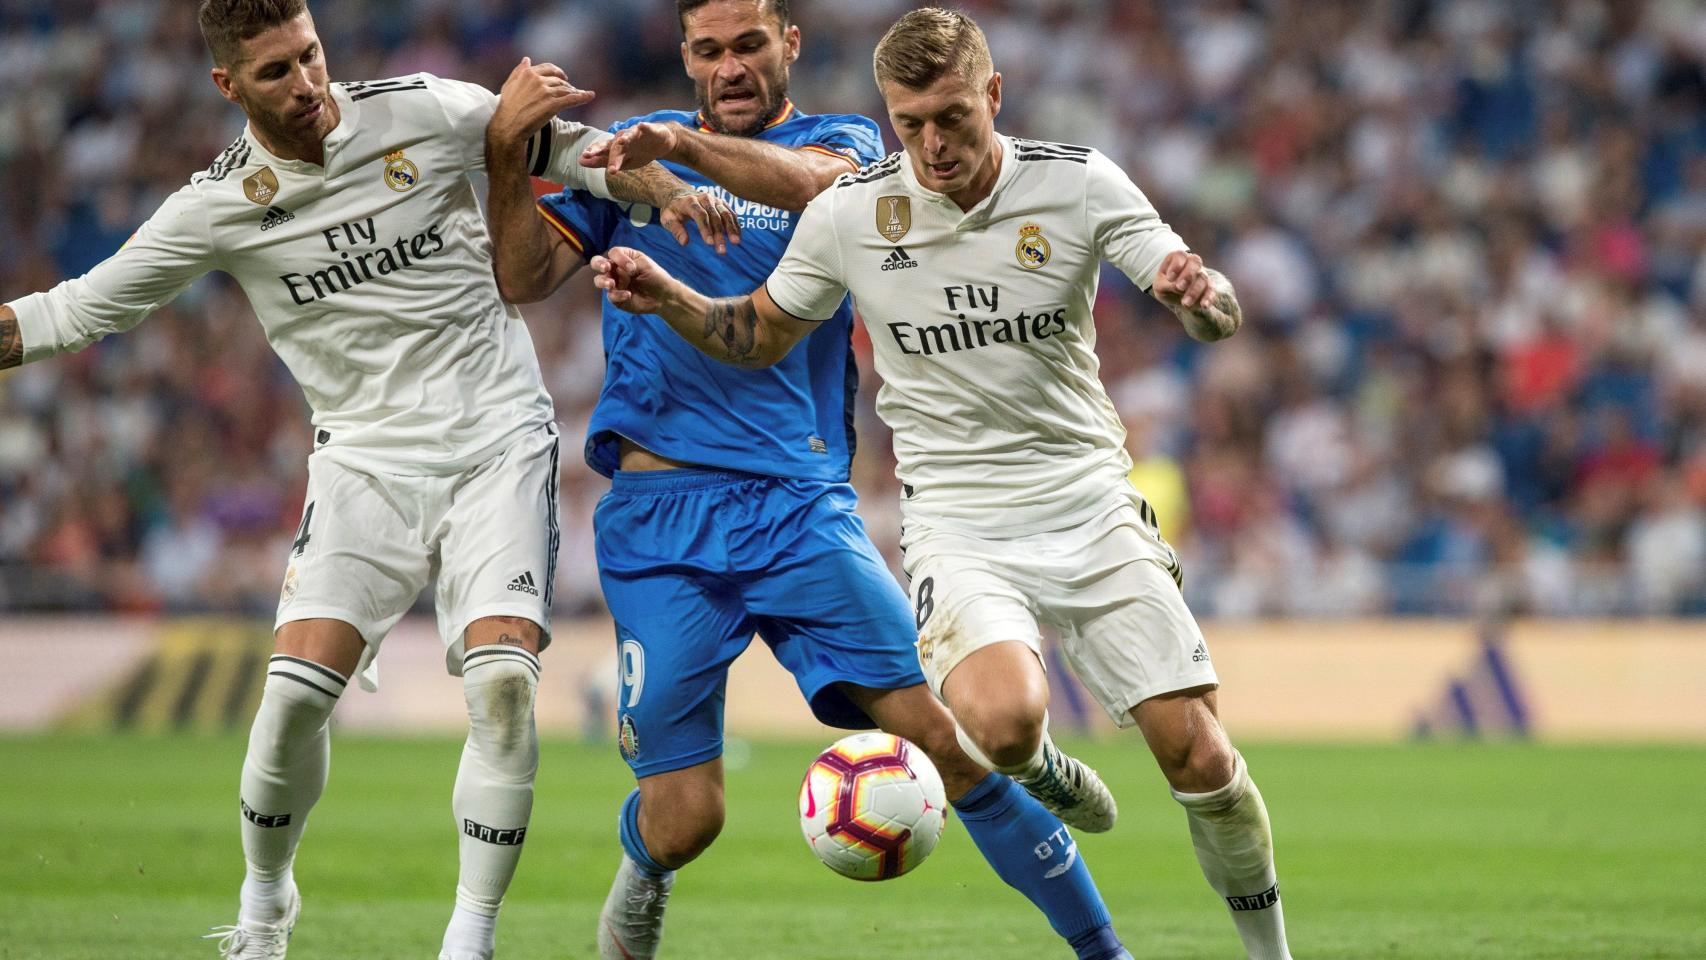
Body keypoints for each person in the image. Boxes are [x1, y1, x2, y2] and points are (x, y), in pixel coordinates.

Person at [0, 2, 735, 958]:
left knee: (506, 685)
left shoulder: (422, 109)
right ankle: (266, 910)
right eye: (275, 73)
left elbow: (582, 150)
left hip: (496, 440)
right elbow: (73, 311)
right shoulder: (218, 205)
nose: (307, 85)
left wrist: (665, 188)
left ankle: (467, 942)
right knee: (295, 701)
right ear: (229, 86)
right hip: (363, 462)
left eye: (309, 56)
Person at [586, 8, 1296, 960]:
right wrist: (666, 293)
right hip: (957, 522)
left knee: (1200, 757)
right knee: (998, 730)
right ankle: (1041, 772)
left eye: (952, 117)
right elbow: (755, 333)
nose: (932, 144)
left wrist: (1201, 300)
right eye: (910, 123)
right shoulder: (855, 215)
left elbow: (1207, 304)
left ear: (993, 96)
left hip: (1086, 497)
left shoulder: (1076, 183)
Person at [485, 2, 1134, 959]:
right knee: (685, 819)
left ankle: (1106, 951)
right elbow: (519, 277)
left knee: (951, 745)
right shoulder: (629, 166)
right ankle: (645, 865)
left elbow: (813, 184)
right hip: (661, 522)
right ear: (687, 57)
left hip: (799, 509)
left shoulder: (849, 146)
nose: (731, 66)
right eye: (709, 51)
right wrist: (508, 154)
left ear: (788, 44)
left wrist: (682, 159)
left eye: (750, 44)